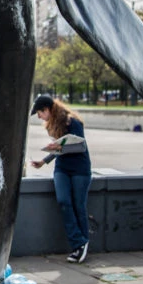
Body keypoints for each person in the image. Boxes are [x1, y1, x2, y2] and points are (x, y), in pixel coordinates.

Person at [30, 93, 92, 263]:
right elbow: (59, 150)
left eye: (40, 113)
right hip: (62, 169)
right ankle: (79, 242)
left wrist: (60, 145)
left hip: (80, 169)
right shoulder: (52, 125)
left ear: (48, 109)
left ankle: (81, 246)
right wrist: (44, 160)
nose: (39, 117)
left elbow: (80, 146)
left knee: (79, 206)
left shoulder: (72, 121)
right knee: (64, 202)